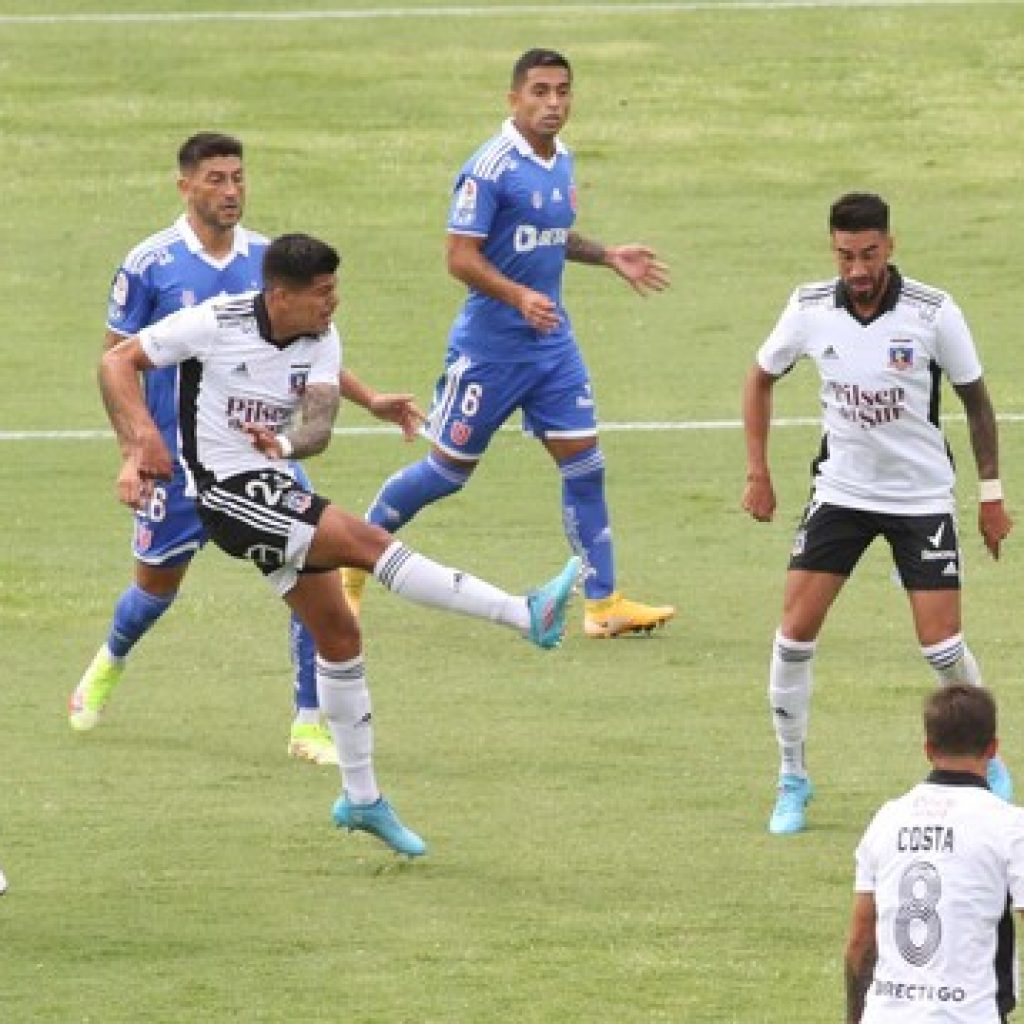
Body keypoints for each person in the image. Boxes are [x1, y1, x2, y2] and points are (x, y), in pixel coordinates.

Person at [96, 232, 581, 857]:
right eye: (321, 293)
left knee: (340, 635)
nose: (333, 303)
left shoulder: (322, 338)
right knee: (372, 543)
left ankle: (362, 799)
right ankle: (524, 613)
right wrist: (141, 442)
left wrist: (285, 447)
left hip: (269, 481)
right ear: (280, 295)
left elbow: (318, 426)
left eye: (335, 290)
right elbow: (117, 362)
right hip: (224, 494)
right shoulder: (213, 322)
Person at [69, 133, 419, 766]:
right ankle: (111, 659)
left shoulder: (268, 258)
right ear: (186, 186)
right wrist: (133, 448)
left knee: (315, 575)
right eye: (216, 180)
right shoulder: (149, 264)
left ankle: (309, 721)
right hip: (176, 462)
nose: (231, 191)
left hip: (260, 456)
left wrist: (369, 399)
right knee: (153, 590)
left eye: (238, 178)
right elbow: (114, 361)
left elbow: (301, 348)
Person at [340, 48, 675, 639]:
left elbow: (547, 234)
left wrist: (606, 256)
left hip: (552, 347)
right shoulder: (489, 168)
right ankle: (351, 557)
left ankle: (603, 604)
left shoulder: (560, 160)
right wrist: (518, 297)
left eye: (563, 92)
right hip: (490, 352)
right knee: (446, 473)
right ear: (513, 99)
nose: (553, 104)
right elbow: (459, 258)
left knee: (586, 467)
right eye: (540, 92)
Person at [741, 192, 1014, 836]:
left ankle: (987, 759)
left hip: (921, 496)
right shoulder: (808, 308)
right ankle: (792, 778)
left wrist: (992, 495)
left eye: (869, 253)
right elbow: (759, 377)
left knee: (942, 646)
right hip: (841, 491)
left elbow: (977, 402)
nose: (858, 268)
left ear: (890, 245)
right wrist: (758, 471)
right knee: (792, 635)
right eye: (845, 255)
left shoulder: (933, 312)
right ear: (832, 250)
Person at [845, 684, 1024, 1023]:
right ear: (993, 748)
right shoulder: (1010, 826)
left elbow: (860, 942)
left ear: (928, 748)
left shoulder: (886, 819)